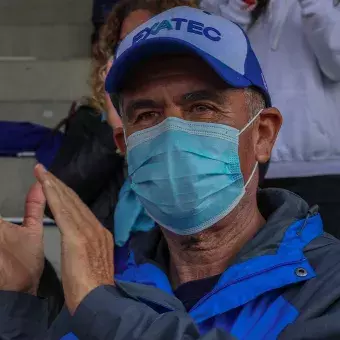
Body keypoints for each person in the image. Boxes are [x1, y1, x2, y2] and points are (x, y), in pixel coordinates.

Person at [2, 7, 340, 340]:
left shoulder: (328, 287)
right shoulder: (112, 292)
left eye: (201, 107)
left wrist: (104, 312)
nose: (173, 135)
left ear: (262, 134)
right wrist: (18, 302)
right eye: (148, 114)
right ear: (125, 145)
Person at [200, 0, 340, 237]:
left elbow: (336, 63)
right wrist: (239, 6)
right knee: (259, 267)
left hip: (323, 171)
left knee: (327, 268)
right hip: (245, 169)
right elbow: (215, 67)